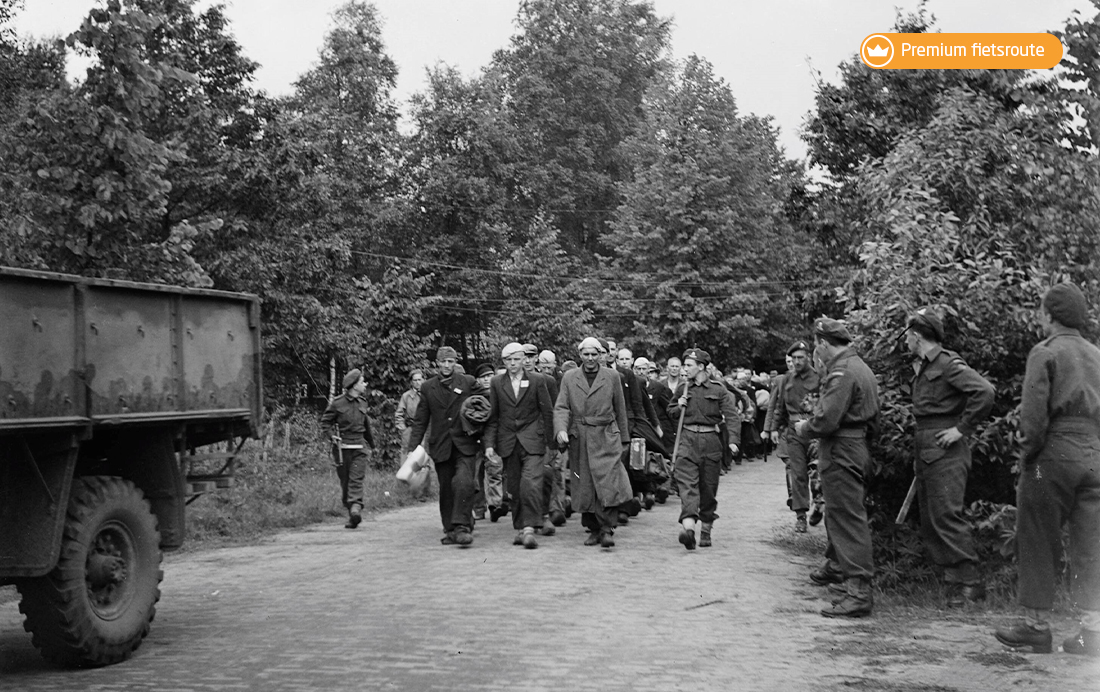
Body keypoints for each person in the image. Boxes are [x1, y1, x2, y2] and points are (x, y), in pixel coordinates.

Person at [995, 283, 1100, 656]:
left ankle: (1037, 628)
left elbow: (1034, 418)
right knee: (1092, 543)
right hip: (1093, 458)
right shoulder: (1096, 354)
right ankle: (1092, 632)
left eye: (1041, 311)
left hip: (1050, 459)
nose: (1040, 318)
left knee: (1037, 534)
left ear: (1051, 316)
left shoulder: (1045, 352)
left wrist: (1027, 459)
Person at [905, 307, 995, 607]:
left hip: (945, 448)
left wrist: (961, 429)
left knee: (946, 515)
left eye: (908, 336)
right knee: (932, 518)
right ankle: (954, 583)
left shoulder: (947, 364)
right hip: (927, 446)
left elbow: (984, 392)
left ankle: (971, 583)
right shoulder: (925, 365)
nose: (906, 341)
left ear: (916, 336)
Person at [796, 318, 880, 618]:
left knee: (847, 519)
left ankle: (858, 593)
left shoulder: (843, 372)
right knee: (843, 514)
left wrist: (805, 427)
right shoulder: (859, 366)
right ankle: (849, 582)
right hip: (854, 447)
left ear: (822, 344)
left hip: (842, 449)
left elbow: (827, 419)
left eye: (817, 346)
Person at [554, 337, 633, 548]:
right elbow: (561, 407)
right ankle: (593, 528)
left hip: (607, 435)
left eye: (594, 354)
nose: (590, 358)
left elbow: (620, 409)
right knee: (585, 483)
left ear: (601, 355)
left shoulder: (612, 376)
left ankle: (607, 529)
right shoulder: (570, 378)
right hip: (580, 437)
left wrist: (624, 438)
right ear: (580, 355)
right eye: (586, 354)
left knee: (608, 482)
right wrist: (561, 430)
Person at [484, 343, 555, 549]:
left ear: (525, 359)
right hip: (508, 442)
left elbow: (547, 412)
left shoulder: (537, 380)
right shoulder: (497, 382)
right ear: (504, 362)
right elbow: (493, 417)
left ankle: (530, 528)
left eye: (516, 359)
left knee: (530, 484)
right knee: (514, 488)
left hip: (533, 441)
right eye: (508, 360)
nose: (513, 364)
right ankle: (520, 528)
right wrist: (489, 445)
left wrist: (551, 444)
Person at [667, 349, 740, 550]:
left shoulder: (719, 389)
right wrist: (678, 405)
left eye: (689, 365)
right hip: (687, 441)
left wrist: (733, 440)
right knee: (687, 487)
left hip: (710, 442)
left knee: (708, 489)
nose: (685, 369)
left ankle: (706, 528)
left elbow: (731, 416)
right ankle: (689, 530)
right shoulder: (682, 387)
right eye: (684, 365)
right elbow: (671, 411)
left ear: (701, 367)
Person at [408, 346, 480, 547]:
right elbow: (421, 419)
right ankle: (450, 529)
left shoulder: (468, 382)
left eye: (450, 361)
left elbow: (485, 403)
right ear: (437, 363)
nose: (447, 365)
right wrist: (413, 446)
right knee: (447, 489)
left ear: (455, 362)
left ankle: (462, 527)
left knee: (464, 482)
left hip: (465, 443)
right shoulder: (428, 387)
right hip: (441, 445)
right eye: (443, 362)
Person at [773, 340, 821, 533]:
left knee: (817, 471)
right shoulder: (787, 379)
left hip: (815, 429)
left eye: (801, 358)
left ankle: (819, 504)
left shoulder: (819, 377)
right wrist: (776, 428)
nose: (797, 361)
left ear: (808, 357)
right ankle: (800, 516)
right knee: (797, 473)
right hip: (794, 431)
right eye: (794, 358)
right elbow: (780, 406)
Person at [320, 369, 375, 529]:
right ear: (354, 385)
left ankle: (356, 507)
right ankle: (352, 512)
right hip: (342, 449)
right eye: (362, 382)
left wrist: (372, 445)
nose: (365, 384)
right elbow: (325, 423)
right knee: (345, 481)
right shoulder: (337, 403)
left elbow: (367, 426)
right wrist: (332, 436)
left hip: (360, 448)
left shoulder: (363, 403)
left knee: (356, 479)